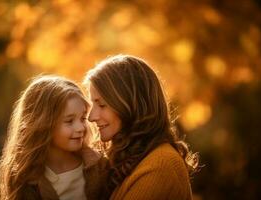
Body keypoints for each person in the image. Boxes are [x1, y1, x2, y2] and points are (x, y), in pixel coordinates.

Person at [84, 55, 199, 200]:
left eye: (101, 105)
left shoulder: (160, 166)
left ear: (132, 105)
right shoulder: (129, 161)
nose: (91, 117)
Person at [0, 75, 100, 200]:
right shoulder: (24, 178)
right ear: (43, 124)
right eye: (69, 121)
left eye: (83, 118)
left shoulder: (100, 166)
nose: (81, 127)